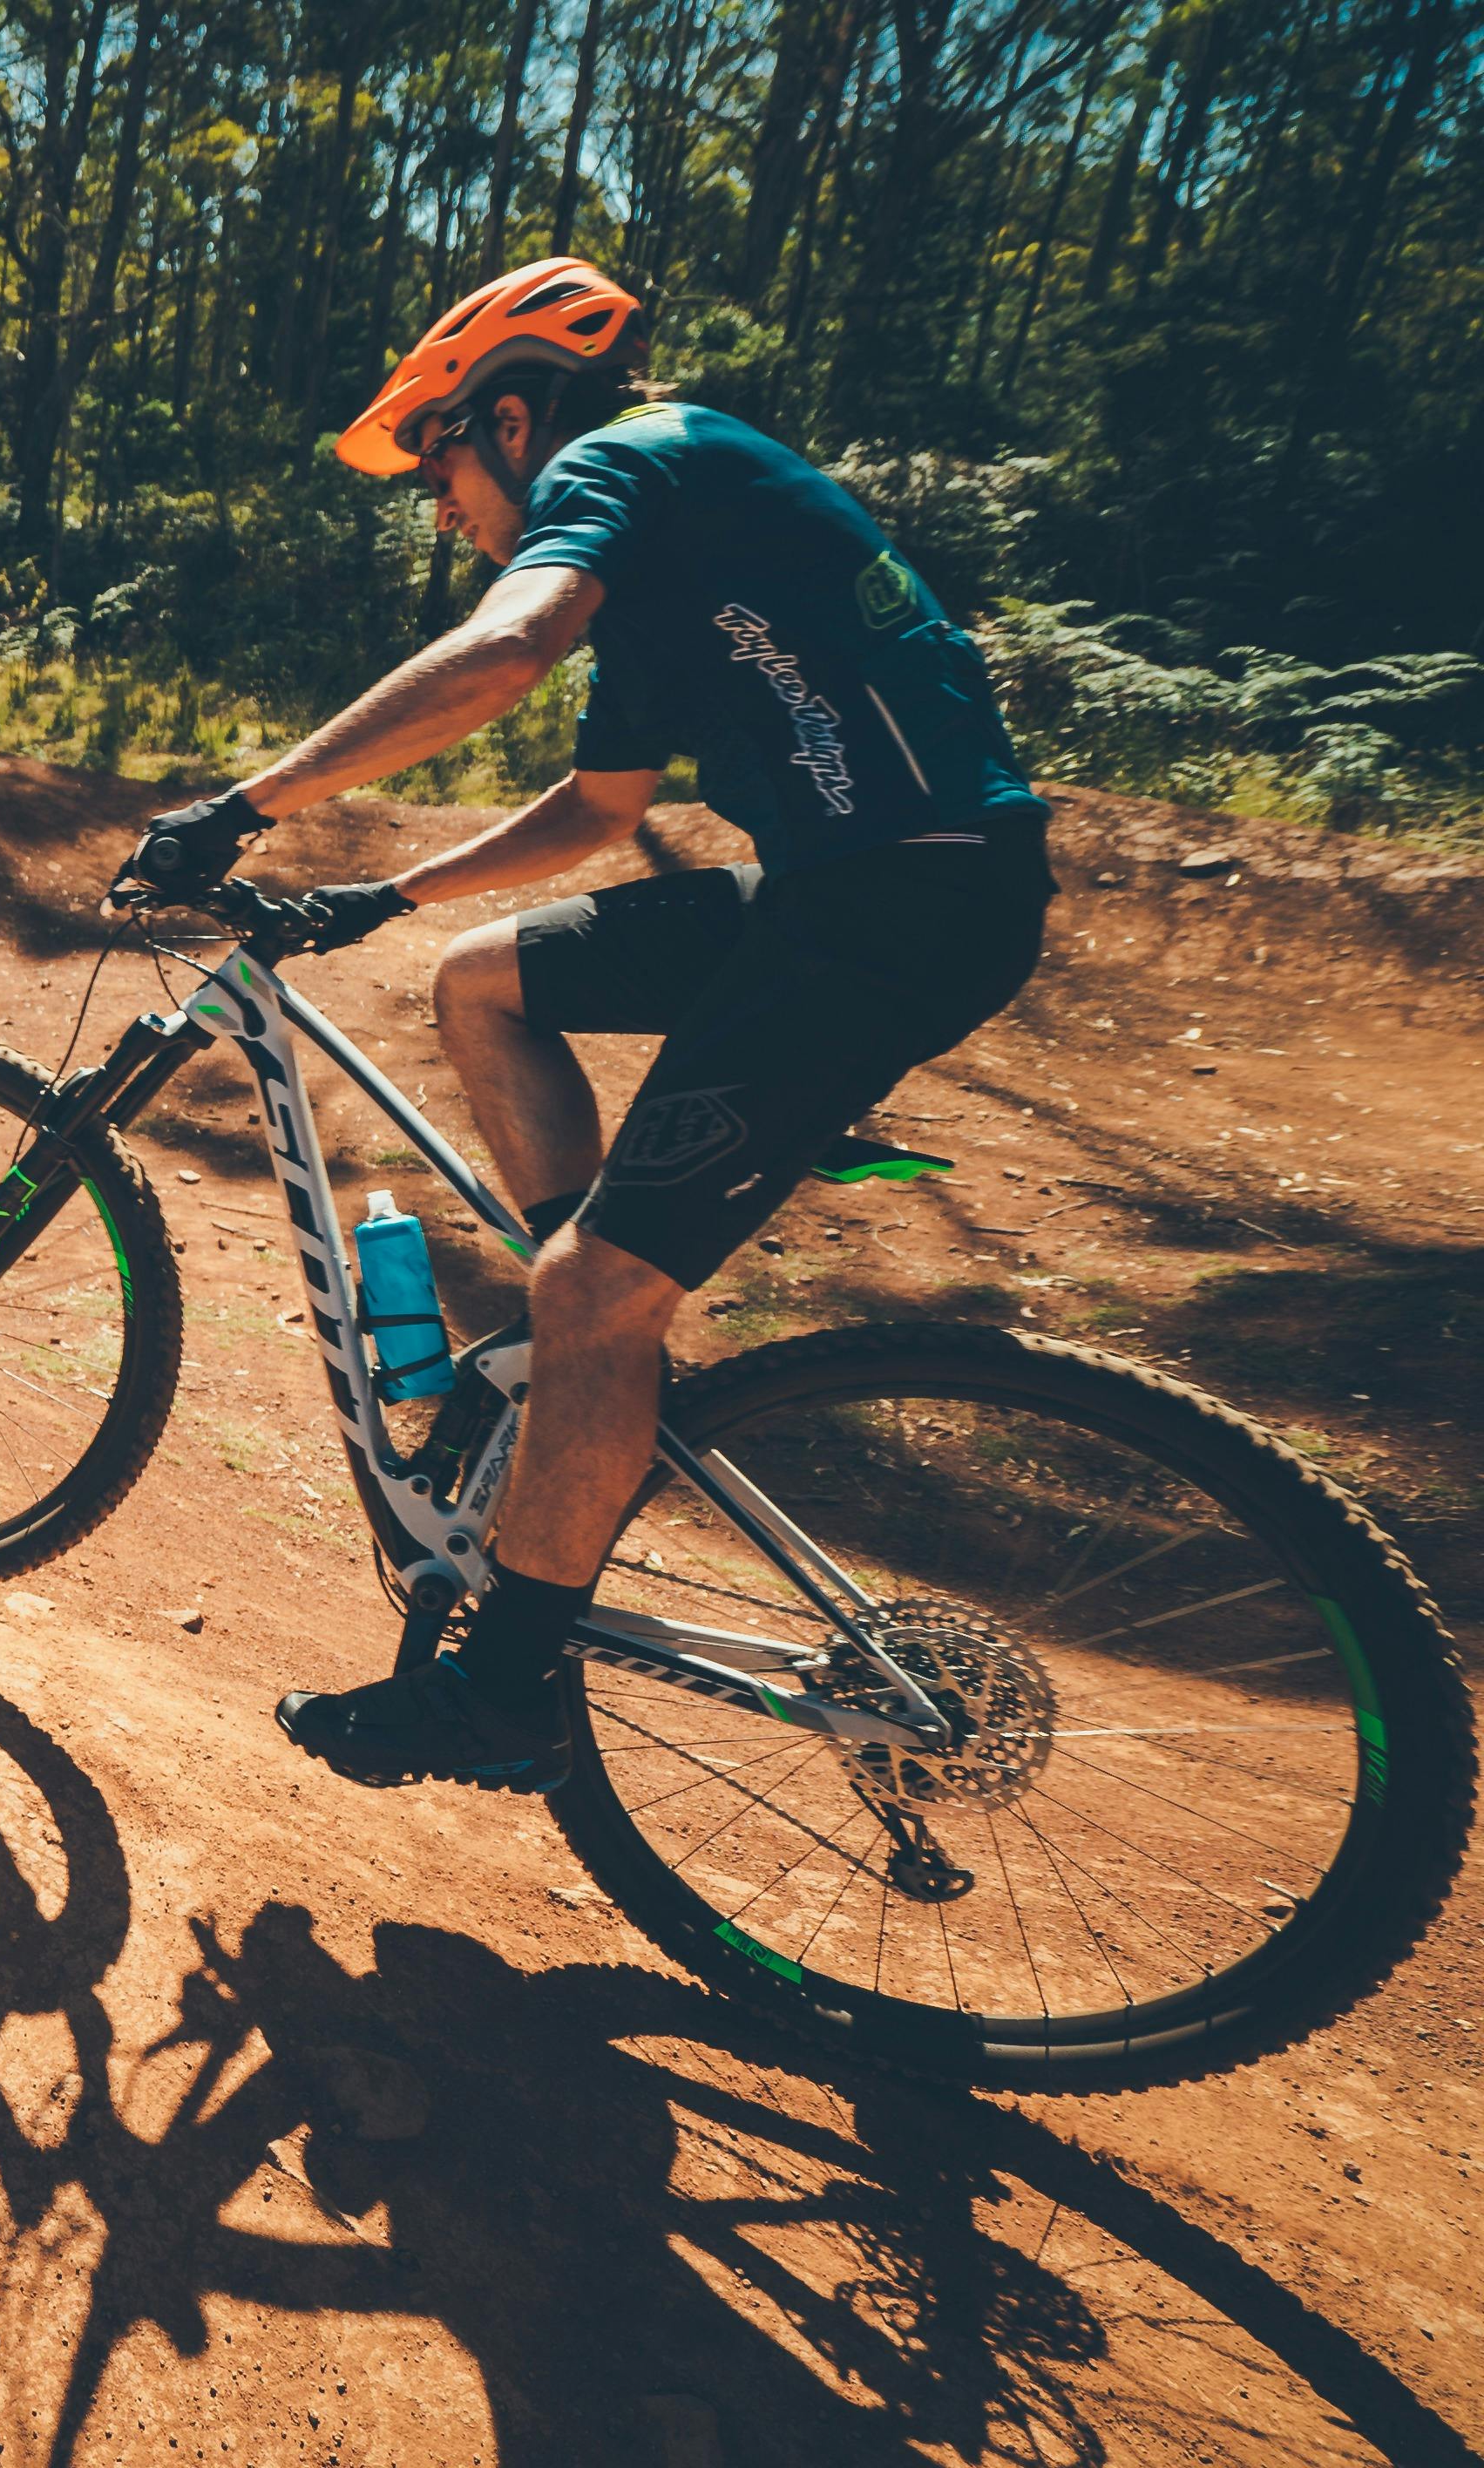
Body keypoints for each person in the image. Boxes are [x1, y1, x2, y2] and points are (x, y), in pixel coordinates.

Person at [108, 257, 1054, 1793]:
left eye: (438, 460)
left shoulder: (627, 461)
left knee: (599, 1287)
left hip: (896, 900)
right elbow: (600, 808)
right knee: (483, 984)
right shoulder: (678, 558)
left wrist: (244, 804)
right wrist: (390, 899)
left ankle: (505, 1692)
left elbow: (500, 649)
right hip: (852, 881)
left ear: (509, 413)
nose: (438, 505)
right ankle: (582, 1361)